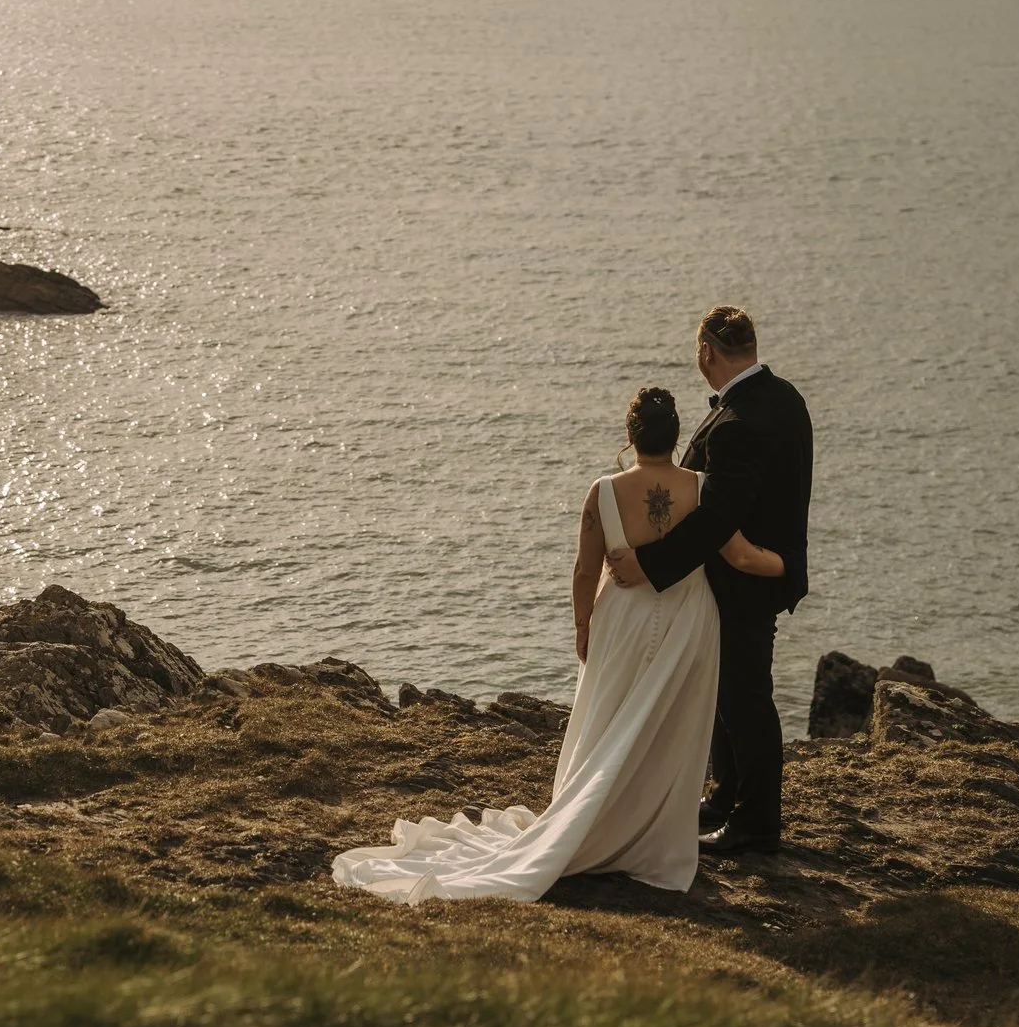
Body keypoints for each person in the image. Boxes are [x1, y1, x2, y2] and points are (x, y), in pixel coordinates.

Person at [330, 386, 779, 903]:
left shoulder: (604, 492)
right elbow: (738, 553)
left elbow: (586, 570)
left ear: (631, 435)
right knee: (674, 727)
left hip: (623, 620)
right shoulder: (703, 487)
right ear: (676, 435)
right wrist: (788, 565)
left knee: (608, 718)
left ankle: (594, 818)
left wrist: (583, 625)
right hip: (689, 618)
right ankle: (655, 836)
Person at [604, 306, 813, 857]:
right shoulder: (787, 398)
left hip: (745, 580)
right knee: (728, 693)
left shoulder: (738, 425)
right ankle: (726, 798)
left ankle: (758, 823)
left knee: (746, 698)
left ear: (706, 353)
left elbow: (718, 518)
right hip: (766, 569)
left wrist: (647, 566)